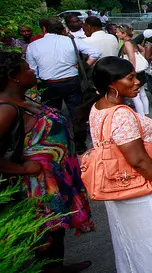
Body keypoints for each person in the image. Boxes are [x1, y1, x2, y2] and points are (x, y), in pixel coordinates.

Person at [83, 56, 152, 272]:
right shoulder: (121, 115)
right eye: (130, 78)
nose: (137, 81)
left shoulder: (98, 107)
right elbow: (139, 161)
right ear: (112, 84)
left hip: (115, 184)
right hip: (139, 188)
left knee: (130, 241)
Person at [0, 52, 95, 273]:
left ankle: (56, 267)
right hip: (35, 183)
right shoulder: (6, 108)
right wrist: (22, 169)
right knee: (45, 234)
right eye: (27, 69)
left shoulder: (24, 99)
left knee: (56, 229)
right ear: (14, 77)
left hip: (54, 177)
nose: (32, 71)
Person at [26, 20, 100, 120]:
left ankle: (56, 133)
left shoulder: (33, 46)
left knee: (51, 115)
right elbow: (95, 52)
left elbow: (33, 70)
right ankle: (79, 133)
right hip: (72, 82)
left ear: (44, 29)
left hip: (48, 84)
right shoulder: (71, 41)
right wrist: (85, 65)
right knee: (77, 113)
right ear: (62, 29)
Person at [116, 25, 149, 116]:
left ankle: (141, 116)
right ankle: (145, 113)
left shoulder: (127, 43)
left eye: (118, 32)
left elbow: (132, 58)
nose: (116, 34)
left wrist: (132, 72)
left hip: (133, 71)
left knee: (136, 96)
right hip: (139, 71)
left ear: (124, 33)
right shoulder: (132, 42)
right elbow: (142, 50)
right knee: (142, 93)